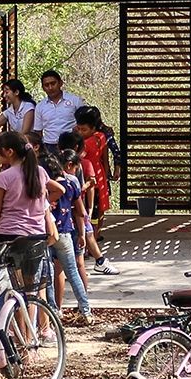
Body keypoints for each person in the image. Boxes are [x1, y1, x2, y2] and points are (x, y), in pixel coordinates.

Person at [0, 131, 56, 308]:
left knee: (14, 288)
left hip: (9, 236)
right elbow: (56, 191)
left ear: (9, 152)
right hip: (35, 237)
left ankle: (14, 331)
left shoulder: (3, 178)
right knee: (30, 290)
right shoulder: (40, 172)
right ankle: (27, 334)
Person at [43, 148, 93, 324]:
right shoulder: (71, 184)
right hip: (65, 232)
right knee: (72, 272)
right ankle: (86, 310)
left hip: (46, 234)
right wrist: (81, 234)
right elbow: (80, 212)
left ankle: (53, 311)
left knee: (47, 274)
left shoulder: (43, 186)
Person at [75, 106, 120, 276]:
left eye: (83, 129)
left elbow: (103, 157)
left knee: (91, 214)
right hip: (98, 177)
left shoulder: (85, 143)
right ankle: (93, 247)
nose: (80, 131)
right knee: (95, 213)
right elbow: (104, 159)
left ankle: (91, 247)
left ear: (93, 128)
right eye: (78, 128)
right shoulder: (101, 137)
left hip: (90, 179)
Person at [31, 69, 85, 145]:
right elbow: (38, 131)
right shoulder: (40, 107)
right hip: (49, 146)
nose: (50, 88)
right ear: (43, 88)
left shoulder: (75, 101)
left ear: (60, 83)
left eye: (53, 83)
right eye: (46, 85)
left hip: (72, 144)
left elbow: (85, 123)